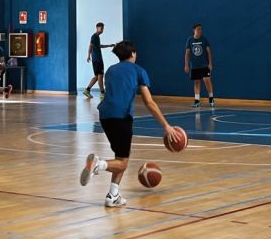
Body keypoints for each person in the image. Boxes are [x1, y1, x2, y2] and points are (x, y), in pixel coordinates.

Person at [80, 40, 178, 207]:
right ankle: (98, 164)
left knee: (121, 156)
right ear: (132, 54)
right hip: (121, 116)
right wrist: (166, 126)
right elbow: (149, 102)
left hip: (104, 115)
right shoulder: (139, 70)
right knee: (122, 163)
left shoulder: (111, 70)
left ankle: (113, 195)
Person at [184, 23, 215, 108]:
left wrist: (210, 63)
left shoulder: (204, 39)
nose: (200, 30)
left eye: (201, 29)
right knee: (197, 82)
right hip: (194, 65)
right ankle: (197, 101)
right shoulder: (190, 40)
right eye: (198, 29)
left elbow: (209, 52)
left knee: (207, 80)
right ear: (194, 30)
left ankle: (211, 99)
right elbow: (187, 54)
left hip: (204, 65)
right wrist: (186, 65)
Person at [83, 22, 114, 100]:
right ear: (97, 28)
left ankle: (87, 90)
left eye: (103, 28)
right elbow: (90, 46)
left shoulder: (97, 37)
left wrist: (109, 45)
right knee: (100, 76)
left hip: (96, 59)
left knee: (97, 76)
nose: (102, 30)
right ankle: (102, 93)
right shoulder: (94, 36)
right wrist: (88, 56)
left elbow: (99, 46)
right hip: (97, 60)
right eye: (101, 28)